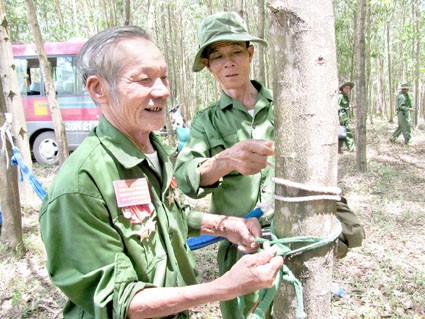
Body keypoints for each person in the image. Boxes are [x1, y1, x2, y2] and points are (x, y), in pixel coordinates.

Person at [38, 25, 284, 319]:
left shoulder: (151, 151)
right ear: (98, 89)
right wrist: (225, 287)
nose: (163, 91)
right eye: (144, 80)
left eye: (164, 77)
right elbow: (122, 303)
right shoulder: (80, 184)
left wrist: (223, 224)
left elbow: (165, 218)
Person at [175, 12, 365, 319]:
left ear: (250, 53)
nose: (228, 63)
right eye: (218, 56)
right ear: (209, 66)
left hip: (294, 240)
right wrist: (225, 161)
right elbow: (185, 179)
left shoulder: (288, 108)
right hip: (241, 248)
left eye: (236, 52)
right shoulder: (205, 121)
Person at [338, 81, 356, 153]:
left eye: (349, 88)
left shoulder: (345, 97)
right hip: (341, 117)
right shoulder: (340, 96)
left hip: (344, 117)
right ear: (343, 89)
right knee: (347, 132)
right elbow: (337, 107)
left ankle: (339, 149)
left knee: (342, 133)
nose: (348, 90)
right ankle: (351, 148)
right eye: (346, 88)